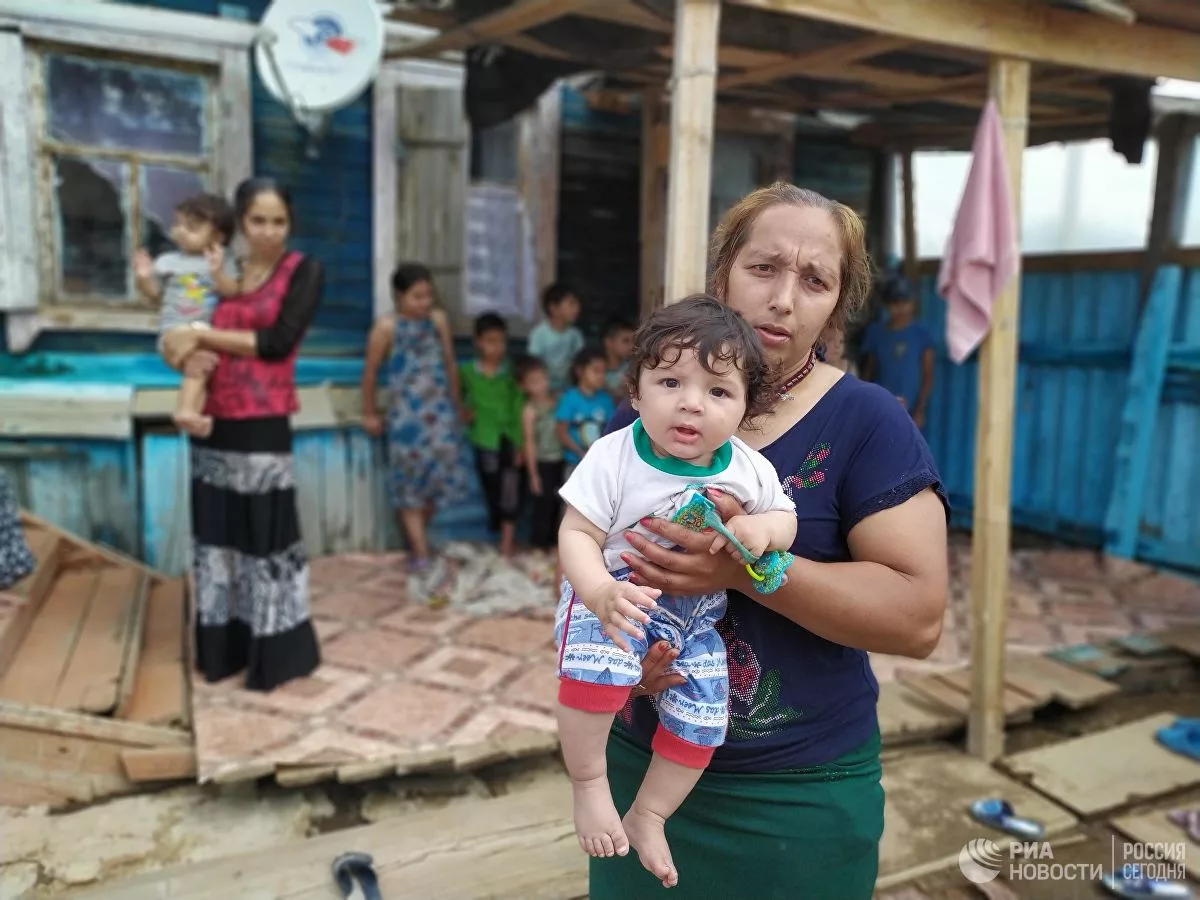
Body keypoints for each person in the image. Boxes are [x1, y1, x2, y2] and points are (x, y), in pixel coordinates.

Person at [594, 183, 949, 899]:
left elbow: (919, 618)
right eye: (764, 269)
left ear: (836, 306)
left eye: (814, 279)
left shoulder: (868, 423)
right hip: (640, 771)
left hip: (798, 800)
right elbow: (587, 556)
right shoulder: (661, 402)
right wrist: (617, 658)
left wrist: (745, 571)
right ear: (722, 272)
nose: (784, 299)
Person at [554, 296, 797, 889]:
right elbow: (575, 533)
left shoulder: (746, 467)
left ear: (744, 409)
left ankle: (650, 813)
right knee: (599, 660)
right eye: (670, 381)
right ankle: (589, 786)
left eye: (719, 392)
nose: (692, 402)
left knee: (705, 711)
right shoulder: (614, 456)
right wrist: (598, 593)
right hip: (613, 596)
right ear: (635, 392)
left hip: (695, 622)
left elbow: (786, 519)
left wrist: (758, 529)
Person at [160, 177, 324, 692]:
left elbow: (276, 343)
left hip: (262, 423)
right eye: (258, 221)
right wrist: (180, 350)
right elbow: (175, 325)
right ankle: (223, 649)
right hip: (213, 420)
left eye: (279, 221)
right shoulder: (222, 271)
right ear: (241, 222)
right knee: (219, 539)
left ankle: (275, 653)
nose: (269, 232)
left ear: (290, 223)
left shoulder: (303, 271)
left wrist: (203, 334)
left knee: (267, 541)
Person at [361, 263, 474, 575]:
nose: (425, 303)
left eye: (428, 296)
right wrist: (369, 412)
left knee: (441, 481)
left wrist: (457, 406)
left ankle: (417, 538)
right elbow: (370, 373)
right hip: (405, 421)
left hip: (440, 418)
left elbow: (450, 364)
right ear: (399, 295)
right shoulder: (386, 328)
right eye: (417, 296)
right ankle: (421, 551)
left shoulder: (438, 321)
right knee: (409, 484)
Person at [133, 193, 238, 438]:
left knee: (200, 365)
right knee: (200, 360)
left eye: (191, 228)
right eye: (177, 224)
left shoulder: (225, 262)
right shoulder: (168, 261)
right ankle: (188, 412)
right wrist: (144, 278)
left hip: (204, 335)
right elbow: (155, 295)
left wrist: (218, 272)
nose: (180, 231)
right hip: (174, 331)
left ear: (218, 237)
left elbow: (232, 292)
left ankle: (189, 414)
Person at [459, 313, 524, 557]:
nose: (496, 348)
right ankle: (498, 530)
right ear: (478, 342)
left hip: (508, 439)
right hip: (483, 439)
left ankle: (507, 542)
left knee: (510, 489)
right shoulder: (467, 372)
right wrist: (464, 413)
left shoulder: (510, 374)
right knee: (491, 488)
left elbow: (518, 406)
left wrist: (520, 444)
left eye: (501, 342)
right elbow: (458, 399)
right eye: (490, 341)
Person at [859, 274, 935, 429]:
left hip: (911, 411)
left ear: (913, 303)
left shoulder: (921, 334)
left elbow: (927, 375)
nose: (901, 308)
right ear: (886, 305)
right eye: (895, 303)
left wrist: (920, 410)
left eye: (905, 302)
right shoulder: (875, 333)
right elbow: (869, 372)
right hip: (880, 408)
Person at [517, 355, 565, 551]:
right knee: (542, 506)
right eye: (534, 382)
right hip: (543, 462)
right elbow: (529, 443)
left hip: (562, 459)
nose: (542, 385)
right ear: (523, 386)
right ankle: (539, 545)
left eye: (543, 379)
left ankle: (556, 544)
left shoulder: (558, 400)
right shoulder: (529, 410)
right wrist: (533, 474)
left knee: (559, 504)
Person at [555, 348, 614, 478]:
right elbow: (561, 432)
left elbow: (611, 431)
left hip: (600, 464)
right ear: (579, 371)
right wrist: (581, 453)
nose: (601, 376)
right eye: (596, 371)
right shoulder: (569, 398)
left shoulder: (606, 400)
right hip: (574, 463)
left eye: (604, 372)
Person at [528, 283, 585, 393]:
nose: (577, 308)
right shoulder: (539, 334)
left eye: (577, 304)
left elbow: (580, 363)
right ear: (553, 307)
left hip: (569, 389)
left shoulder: (575, 335)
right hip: (543, 390)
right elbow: (533, 365)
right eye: (571, 304)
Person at [601, 317, 636, 402]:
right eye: (625, 341)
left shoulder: (632, 368)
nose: (631, 346)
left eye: (633, 341)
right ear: (608, 342)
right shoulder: (598, 369)